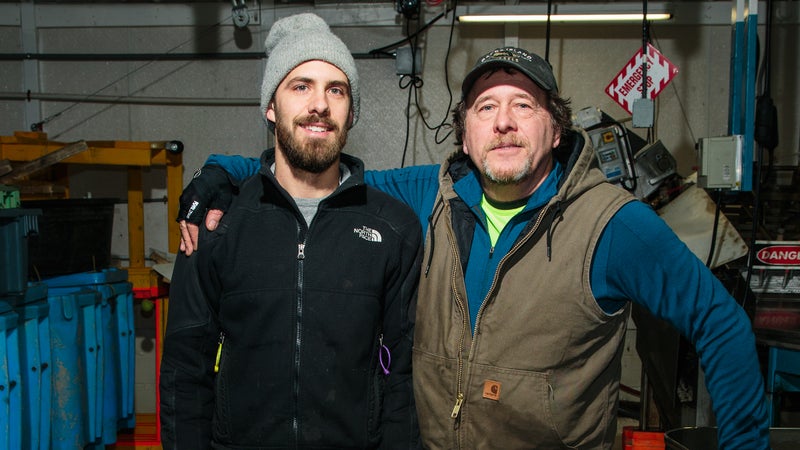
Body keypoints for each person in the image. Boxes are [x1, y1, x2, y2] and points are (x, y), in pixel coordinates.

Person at [176, 46, 770, 448]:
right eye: (487, 107)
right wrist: (218, 172)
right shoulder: (425, 197)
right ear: (465, 130)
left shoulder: (612, 226)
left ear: (556, 128)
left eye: (523, 106)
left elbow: (722, 326)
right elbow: (318, 173)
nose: (504, 122)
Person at [159, 13, 423, 450]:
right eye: (300, 86)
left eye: (335, 90)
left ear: (350, 112)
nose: (319, 104)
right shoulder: (218, 226)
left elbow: (405, 378)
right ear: (270, 106)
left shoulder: (392, 228)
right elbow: (185, 372)